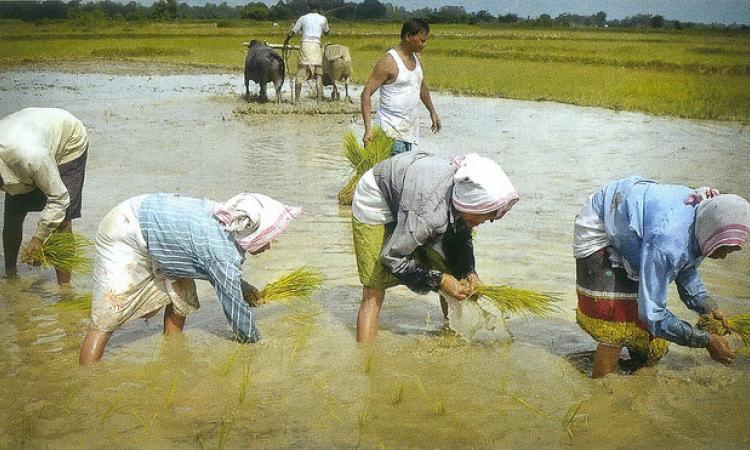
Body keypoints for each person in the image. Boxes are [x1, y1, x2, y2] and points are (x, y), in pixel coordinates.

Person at [78, 192, 302, 365]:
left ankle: (172, 354)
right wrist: (256, 343)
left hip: (156, 226)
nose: (270, 245)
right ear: (252, 233)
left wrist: (243, 286)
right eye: (268, 238)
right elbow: (235, 310)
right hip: (125, 228)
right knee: (108, 314)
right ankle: (87, 377)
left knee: (181, 298)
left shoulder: (227, 221)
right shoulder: (221, 252)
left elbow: (216, 271)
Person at [573, 176, 749, 378]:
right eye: (725, 247)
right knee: (617, 322)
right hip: (602, 221)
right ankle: (600, 390)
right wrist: (705, 340)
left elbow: (686, 266)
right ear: (713, 232)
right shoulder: (667, 240)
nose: (725, 255)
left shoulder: (701, 223)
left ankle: (631, 375)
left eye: (733, 250)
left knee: (648, 340)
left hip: (632, 224)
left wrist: (708, 307)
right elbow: (653, 314)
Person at [352, 152, 519, 343]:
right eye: (487, 215)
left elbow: (461, 239)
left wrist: (469, 273)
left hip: (415, 193)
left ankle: (451, 339)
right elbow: (392, 259)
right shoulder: (429, 215)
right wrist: (439, 280)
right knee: (375, 286)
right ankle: (365, 364)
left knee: (452, 274)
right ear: (471, 205)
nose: (489, 221)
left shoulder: (461, 201)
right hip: (377, 195)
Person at [0, 107, 89, 284]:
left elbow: (59, 198)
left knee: (63, 220)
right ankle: (10, 275)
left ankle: (64, 288)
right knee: (12, 213)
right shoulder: (13, 162)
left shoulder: (31, 158)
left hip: (68, 140)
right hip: (28, 130)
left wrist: (38, 238)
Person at [361, 18, 441, 154]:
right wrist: (368, 129)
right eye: (422, 40)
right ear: (408, 36)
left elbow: (421, 86)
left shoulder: (416, 59)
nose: (425, 44)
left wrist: (432, 112)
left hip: (407, 134)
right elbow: (366, 94)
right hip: (388, 133)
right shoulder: (389, 62)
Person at [283, 1, 329, 103]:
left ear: (309, 7)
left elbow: (293, 32)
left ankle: (296, 102)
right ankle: (319, 102)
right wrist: (323, 17)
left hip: (305, 46)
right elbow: (326, 32)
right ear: (319, 8)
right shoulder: (323, 19)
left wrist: (286, 41)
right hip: (316, 47)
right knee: (318, 75)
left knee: (300, 74)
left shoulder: (303, 18)